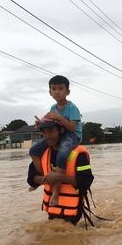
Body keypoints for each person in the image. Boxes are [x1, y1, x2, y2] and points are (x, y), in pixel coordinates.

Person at [27, 117, 94, 227]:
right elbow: (32, 177)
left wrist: (59, 177)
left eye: (51, 131)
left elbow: (85, 182)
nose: (47, 136)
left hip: (73, 212)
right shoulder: (43, 153)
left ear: (61, 130)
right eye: (44, 132)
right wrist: (44, 179)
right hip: (52, 210)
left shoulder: (78, 154)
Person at [29, 75, 83, 206]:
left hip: (72, 136)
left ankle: (55, 191)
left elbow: (72, 127)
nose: (57, 91)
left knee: (62, 155)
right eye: (54, 89)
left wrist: (59, 118)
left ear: (67, 92)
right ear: (50, 92)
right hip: (58, 135)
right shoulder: (53, 107)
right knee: (34, 150)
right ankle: (44, 180)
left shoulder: (72, 108)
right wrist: (39, 123)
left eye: (61, 88)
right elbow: (47, 122)